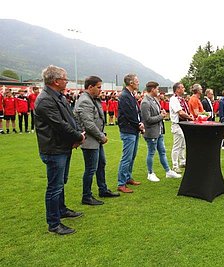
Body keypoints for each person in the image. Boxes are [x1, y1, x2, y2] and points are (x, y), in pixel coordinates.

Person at [34, 65, 85, 235]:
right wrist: (78, 137)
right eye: (65, 79)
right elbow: (60, 125)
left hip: (63, 146)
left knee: (60, 182)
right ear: (56, 81)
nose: (66, 81)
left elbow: (71, 119)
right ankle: (54, 223)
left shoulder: (58, 97)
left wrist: (78, 134)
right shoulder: (45, 100)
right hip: (54, 149)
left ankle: (61, 210)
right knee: (54, 186)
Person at [74, 76, 120, 205]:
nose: (101, 90)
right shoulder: (85, 101)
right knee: (90, 168)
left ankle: (103, 189)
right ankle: (86, 196)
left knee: (101, 164)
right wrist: (101, 136)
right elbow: (88, 124)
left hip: (96, 140)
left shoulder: (92, 99)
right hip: (90, 140)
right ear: (90, 87)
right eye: (99, 87)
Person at [140, 81, 181, 182]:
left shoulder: (155, 100)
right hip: (151, 132)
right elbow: (147, 120)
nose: (158, 91)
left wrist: (161, 112)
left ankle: (168, 171)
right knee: (151, 152)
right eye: (157, 89)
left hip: (159, 131)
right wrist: (161, 116)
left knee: (162, 152)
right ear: (153, 89)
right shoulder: (145, 102)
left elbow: (157, 113)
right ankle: (150, 173)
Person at [116, 74, 145, 193]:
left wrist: (140, 123)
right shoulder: (124, 96)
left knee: (132, 156)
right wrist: (138, 124)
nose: (138, 83)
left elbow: (136, 111)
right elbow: (129, 114)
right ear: (131, 83)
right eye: (137, 81)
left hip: (133, 129)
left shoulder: (131, 95)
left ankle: (128, 177)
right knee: (126, 157)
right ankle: (121, 183)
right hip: (128, 130)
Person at [169, 82, 194, 173]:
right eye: (182, 87)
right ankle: (175, 165)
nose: (184, 89)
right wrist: (189, 117)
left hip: (184, 124)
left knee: (183, 145)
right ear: (177, 89)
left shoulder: (181, 99)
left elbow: (185, 110)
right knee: (177, 145)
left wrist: (189, 115)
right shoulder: (174, 99)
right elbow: (180, 112)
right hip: (177, 124)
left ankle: (182, 161)